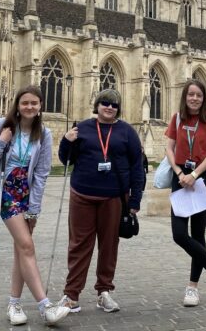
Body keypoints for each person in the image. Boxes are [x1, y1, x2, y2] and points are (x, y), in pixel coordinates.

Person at [0, 85, 70, 326]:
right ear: (17, 106)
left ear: (41, 107)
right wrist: (1, 142)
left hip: (27, 195)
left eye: (34, 103)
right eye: (25, 103)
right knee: (27, 246)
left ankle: (14, 304)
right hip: (7, 191)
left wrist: (34, 209)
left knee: (21, 248)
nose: (30, 107)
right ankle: (45, 306)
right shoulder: (3, 126)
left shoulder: (45, 134)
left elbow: (41, 174)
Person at [57, 89, 144, 314]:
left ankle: (104, 292)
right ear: (97, 105)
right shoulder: (83, 127)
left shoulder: (127, 132)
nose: (109, 107)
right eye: (105, 103)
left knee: (108, 246)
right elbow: (66, 158)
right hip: (83, 194)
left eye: (114, 104)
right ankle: (71, 295)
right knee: (79, 245)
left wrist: (135, 199)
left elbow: (137, 166)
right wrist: (66, 142)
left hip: (114, 196)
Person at [164, 79, 206, 307]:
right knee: (179, 234)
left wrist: (195, 174)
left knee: (198, 234)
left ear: (204, 98)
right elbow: (169, 148)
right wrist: (179, 171)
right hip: (180, 178)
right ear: (185, 96)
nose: (194, 98)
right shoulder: (177, 118)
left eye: (198, 95)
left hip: (202, 179)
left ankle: (192, 287)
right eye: (191, 94)